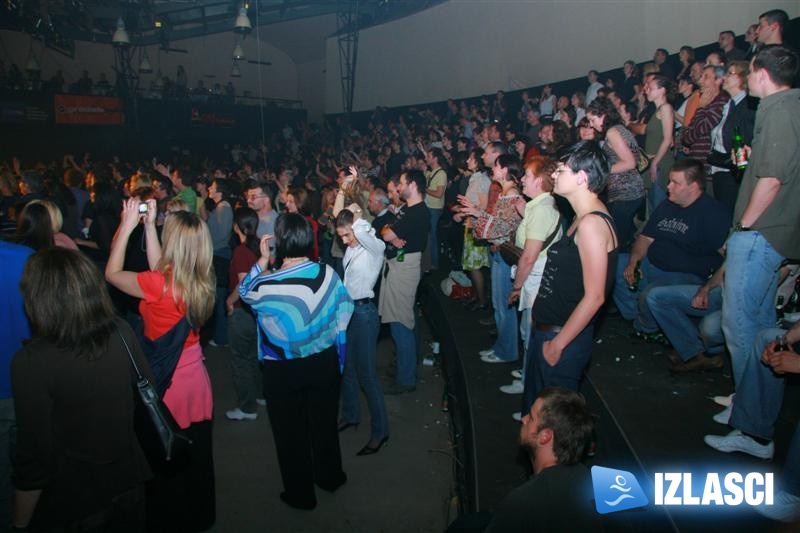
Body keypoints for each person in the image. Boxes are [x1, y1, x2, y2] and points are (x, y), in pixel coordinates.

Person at [12, 248, 151, 532]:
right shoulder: (120, 331)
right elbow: (146, 393)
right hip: (129, 478)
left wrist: (19, 523)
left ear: (37, 298)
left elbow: (34, 454)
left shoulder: (32, 361)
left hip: (74, 498)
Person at [106, 198, 216, 532]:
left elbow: (111, 274)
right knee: (197, 456)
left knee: (165, 457)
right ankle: (201, 517)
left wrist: (126, 227)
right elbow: (161, 271)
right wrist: (150, 227)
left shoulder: (158, 287)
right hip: (196, 378)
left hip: (166, 383)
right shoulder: (202, 279)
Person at [239, 213, 353, 510]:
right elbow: (344, 309)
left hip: (283, 370)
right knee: (324, 424)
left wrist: (263, 260)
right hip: (324, 362)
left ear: (280, 241)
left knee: (290, 434)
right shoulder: (327, 273)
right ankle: (330, 477)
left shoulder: (266, 285)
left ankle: (301, 495)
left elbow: (243, 292)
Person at [720, 45, 800, 408]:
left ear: (762, 74)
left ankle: (749, 414)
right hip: (770, 234)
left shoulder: (781, 110)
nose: (746, 78)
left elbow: (771, 180)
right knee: (761, 328)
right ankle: (753, 410)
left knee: (739, 328)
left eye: (750, 72)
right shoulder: (786, 108)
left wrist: (743, 226)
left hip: (760, 234)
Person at [521, 141, 618, 417]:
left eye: (561, 170)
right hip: (550, 332)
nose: (554, 175)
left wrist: (558, 344)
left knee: (552, 429)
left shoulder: (591, 224)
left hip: (562, 338)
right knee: (537, 420)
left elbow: (595, 296)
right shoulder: (580, 217)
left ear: (581, 177)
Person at [486, 388, 600, 532]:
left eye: (531, 417)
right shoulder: (600, 483)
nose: (524, 419)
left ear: (545, 436)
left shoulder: (524, 502)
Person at [501, 156, 562, 403]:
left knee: (531, 334)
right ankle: (528, 375)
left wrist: (516, 288)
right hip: (534, 277)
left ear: (538, 180)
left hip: (534, 280)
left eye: (526, 175)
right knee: (529, 333)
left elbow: (528, 257)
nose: (522, 179)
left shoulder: (543, 210)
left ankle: (531, 388)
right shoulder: (540, 206)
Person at [335, 207, 389, 456]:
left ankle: (380, 432)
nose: (344, 241)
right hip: (349, 312)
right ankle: (350, 415)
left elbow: (366, 235)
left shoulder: (374, 248)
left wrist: (357, 221)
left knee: (367, 375)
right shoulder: (353, 248)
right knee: (348, 370)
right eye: (341, 236)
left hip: (365, 314)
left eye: (346, 235)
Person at [463, 154, 523, 364]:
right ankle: (501, 347)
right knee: (500, 306)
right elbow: (497, 223)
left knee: (503, 307)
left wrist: (479, 217)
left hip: (504, 255)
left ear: (506, 170)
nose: (493, 170)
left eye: (497, 166)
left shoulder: (512, 194)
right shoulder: (506, 193)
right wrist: (477, 212)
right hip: (500, 253)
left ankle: (506, 351)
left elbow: (500, 228)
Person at [379, 170, 430, 394]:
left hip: (405, 268)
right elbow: (385, 229)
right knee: (401, 319)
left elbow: (387, 234)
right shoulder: (408, 210)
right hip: (399, 266)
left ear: (412, 184)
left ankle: (406, 379)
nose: (398, 188)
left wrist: (390, 232)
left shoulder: (418, 212)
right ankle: (404, 368)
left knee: (400, 322)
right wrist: (389, 231)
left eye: (401, 183)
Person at [0, 241, 32, 530]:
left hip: (21, 381)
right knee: (29, 465)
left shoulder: (25, 257)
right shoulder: (24, 258)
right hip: (26, 379)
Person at [586, 97, 644, 250]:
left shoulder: (612, 132)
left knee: (617, 241)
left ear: (603, 114)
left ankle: (623, 271)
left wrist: (602, 170)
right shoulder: (619, 128)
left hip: (625, 193)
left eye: (593, 120)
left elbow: (630, 162)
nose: (591, 125)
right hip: (631, 191)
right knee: (626, 236)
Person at [224, 208, 263, 421]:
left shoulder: (241, 251)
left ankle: (247, 408)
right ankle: (260, 395)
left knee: (241, 360)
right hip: (257, 311)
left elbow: (243, 282)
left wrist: (230, 301)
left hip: (242, 310)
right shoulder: (258, 247)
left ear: (238, 227)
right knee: (254, 357)